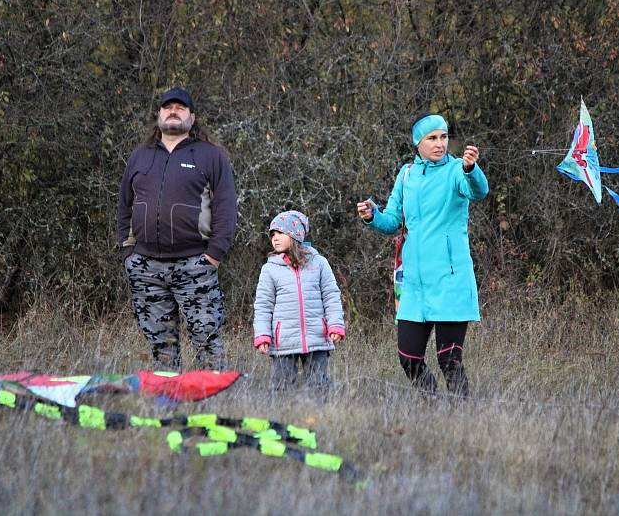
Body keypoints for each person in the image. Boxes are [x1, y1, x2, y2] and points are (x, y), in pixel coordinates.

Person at [356, 112, 489, 396]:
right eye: (432, 138)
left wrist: (470, 169)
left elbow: (479, 191)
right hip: (414, 285)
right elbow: (392, 220)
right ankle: (434, 407)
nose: (440, 144)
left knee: (449, 361)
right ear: (418, 142)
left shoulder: (457, 170)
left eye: (444, 137)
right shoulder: (407, 175)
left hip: (451, 280)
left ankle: (461, 418)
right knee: (409, 358)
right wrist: (372, 214)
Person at [117, 86, 237, 372]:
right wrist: (127, 252)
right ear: (159, 115)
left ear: (191, 118)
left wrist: (214, 255)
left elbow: (226, 208)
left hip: (195, 263)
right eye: (167, 107)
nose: (173, 111)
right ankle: (166, 402)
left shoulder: (210, 156)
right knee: (161, 345)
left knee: (206, 339)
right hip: (145, 266)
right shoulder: (140, 156)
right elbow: (124, 206)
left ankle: (211, 403)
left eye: (180, 108)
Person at [252, 210, 346, 393]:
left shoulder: (319, 263)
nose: (275, 238)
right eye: (272, 235)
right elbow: (263, 304)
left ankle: (322, 417)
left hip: (317, 336)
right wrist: (262, 335)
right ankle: (280, 418)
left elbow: (331, 296)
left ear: (295, 235)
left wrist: (335, 325)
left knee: (319, 385)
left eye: (280, 233)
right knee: (281, 387)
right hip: (283, 340)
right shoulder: (270, 269)